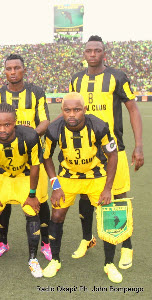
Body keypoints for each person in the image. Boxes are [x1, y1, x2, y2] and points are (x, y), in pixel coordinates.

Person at [69, 36, 143, 268]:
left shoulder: (117, 77)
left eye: (97, 50)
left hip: (113, 149)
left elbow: (132, 109)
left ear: (104, 53)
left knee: (117, 197)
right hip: (85, 150)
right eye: (89, 50)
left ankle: (126, 247)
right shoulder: (76, 80)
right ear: (84, 53)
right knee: (84, 195)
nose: (92, 54)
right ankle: (86, 239)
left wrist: (138, 146)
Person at [42, 92, 121, 282]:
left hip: (95, 176)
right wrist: (56, 185)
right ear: (62, 111)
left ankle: (109, 264)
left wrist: (108, 188)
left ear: (84, 110)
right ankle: (55, 260)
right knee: (57, 215)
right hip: (67, 177)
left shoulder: (99, 126)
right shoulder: (54, 129)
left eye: (76, 110)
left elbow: (113, 155)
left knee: (108, 217)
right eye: (67, 110)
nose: (72, 114)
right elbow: (46, 158)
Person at [0, 54, 51, 260]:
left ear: (24, 70)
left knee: (38, 202)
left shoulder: (36, 93)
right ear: (4, 71)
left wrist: (30, 136)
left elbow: (44, 121)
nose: (13, 72)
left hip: (31, 156)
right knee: (2, 202)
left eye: (17, 68)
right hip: (4, 159)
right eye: (9, 68)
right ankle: (3, 242)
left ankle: (46, 243)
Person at [0, 103, 43, 278]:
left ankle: (33, 259)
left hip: (25, 177)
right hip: (2, 176)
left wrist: (33, 195)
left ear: (15, 123)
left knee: (31, 211)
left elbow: (35, 166)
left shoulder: (30, 136)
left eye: (7, 125)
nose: (2, 129)